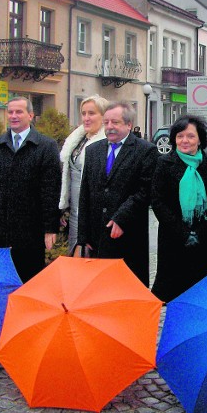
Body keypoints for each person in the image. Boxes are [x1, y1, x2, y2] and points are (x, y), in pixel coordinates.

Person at [0, 97, 60, 282]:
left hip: (31, 231)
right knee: (0, 282)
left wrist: (50, 228)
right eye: (10, 112)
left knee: (29, 281)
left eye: (18, 112)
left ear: (30, 115)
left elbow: (50, 190)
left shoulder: (46, 146)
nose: (13, 116)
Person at [77, 102, 158, 287]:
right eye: (106, 122)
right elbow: (85, 194)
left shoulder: (145, 151)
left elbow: (145, 190)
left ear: (128, 124)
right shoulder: (93, 150)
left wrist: (122, 218)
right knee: (98, 289)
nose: (110, 127)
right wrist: (84, 237)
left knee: (125, 287)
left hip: (128, 235)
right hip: (97, 236)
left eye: (115, 122)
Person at [150, 116, 207, 302]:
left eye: (190, 136)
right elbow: (158, 201)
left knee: (204, 295)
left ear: (200, 139)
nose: (185, 141)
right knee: (174, 296)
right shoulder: (164, 163)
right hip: (174, 241)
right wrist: (184, 233)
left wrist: (199, 232)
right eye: (180, 136)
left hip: (205, 241)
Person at [59, 95, 108, 253]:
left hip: (92, 212)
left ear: (104, 115)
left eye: (91, 113)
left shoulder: (106, 143)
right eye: (83, 113)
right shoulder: (77, 139)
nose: (86, 118)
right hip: (74, 211)